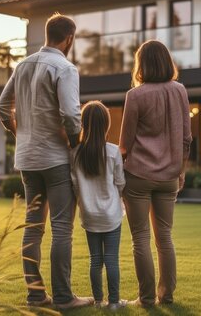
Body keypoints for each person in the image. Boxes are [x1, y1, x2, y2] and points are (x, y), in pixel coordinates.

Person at [0, 13, 93, 310]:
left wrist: (21, 133)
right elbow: (71, 115)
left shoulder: (22, 65)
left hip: (27, 158)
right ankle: (63, 297)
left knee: (33, 227)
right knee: (62, 227)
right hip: (55, 158)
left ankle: (36, 295)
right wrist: (75, 142)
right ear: (69, 39)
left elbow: (2, 107)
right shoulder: (65, 67)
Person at [119, 40, 192, 307]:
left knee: (141, 238)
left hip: (138, 175)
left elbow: (124, 144)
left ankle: (147, 298)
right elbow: (187, 138)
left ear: (141, 64)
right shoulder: (180, 91)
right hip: (169, 176)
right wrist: (181, 170)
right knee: (165, 238)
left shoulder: (135, 96)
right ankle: (167, 296)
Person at [70, 101, 127, 310]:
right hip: (111, 215)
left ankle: (97, 301)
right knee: (111, 259)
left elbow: (75, 185)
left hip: (89, 215)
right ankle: (113, 303)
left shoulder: (75, 153)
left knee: (95, 260)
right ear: (106, 125)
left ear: (83, 124)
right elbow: (121, 183)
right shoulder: (113, 152)